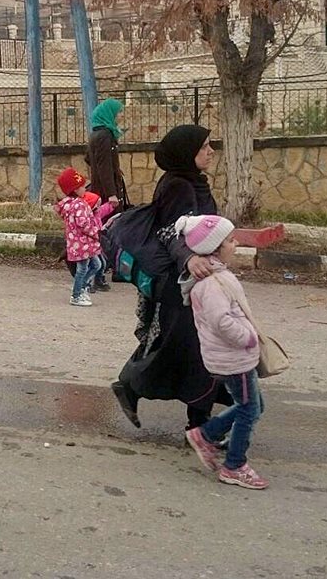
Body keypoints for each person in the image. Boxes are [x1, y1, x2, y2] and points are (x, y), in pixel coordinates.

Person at [110, 124, 231, 430]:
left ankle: (133, 386)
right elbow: (171, 230)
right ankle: (199, 424)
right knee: (195, 351)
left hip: (196, 279)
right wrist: (189, 258)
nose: (211, 151)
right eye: (204, 147)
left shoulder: (191, 182)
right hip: (182, 282)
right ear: (187, 153)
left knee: (179, 348)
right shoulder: (180, 186)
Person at [177, 214, 268, 491]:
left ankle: (206, 435)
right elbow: (221, 321)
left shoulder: (218, 276)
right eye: (230, 240)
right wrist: (248, 337)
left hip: (235, 356)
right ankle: (234, 465)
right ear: (215, 249)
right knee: (248, 409)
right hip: (233, 357)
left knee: (254, 406)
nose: (235, 243)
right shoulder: (212, 284)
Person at [85, 98, 129, 291]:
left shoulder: (99, 134)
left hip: (102, 189)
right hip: (106, 193)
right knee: (112, 230)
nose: (120, 116)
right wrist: (111, 193)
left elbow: (90, 159)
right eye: (118, 112)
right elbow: (103, 166)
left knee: (105, 230)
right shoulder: (104, 136)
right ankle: (106, 270)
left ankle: (102, 270)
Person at [55, 167, 104, 307]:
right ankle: (76, 294)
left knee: (96, 264)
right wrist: (97, 232)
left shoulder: (71, 204)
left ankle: (81, 287)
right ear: (75, 189)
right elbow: (83, 224)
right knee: (83, 268)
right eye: (82, 186)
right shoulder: (78, 205)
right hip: (82, 243)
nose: (85, 189)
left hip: (82, 243)